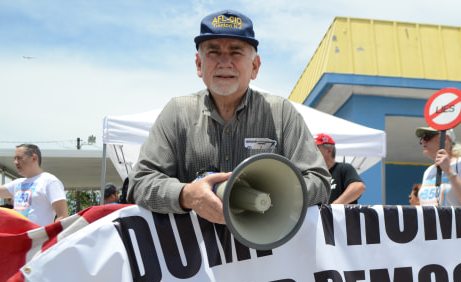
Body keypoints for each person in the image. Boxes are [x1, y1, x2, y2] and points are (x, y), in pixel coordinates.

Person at [127, 9, 330, 222]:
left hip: (268, 250)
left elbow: (320, 182)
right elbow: (140, 182)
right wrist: (187, 195)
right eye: (213, 52)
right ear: (199, 64)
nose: (224, 62)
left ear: (254, 66)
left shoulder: (281, 113)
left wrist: (265, 196)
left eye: (236, 52)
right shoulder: (177, 112)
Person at [0, 144, 69, 226]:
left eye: (19, 158)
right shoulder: (18, 183)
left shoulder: (50, 181)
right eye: (14, 159)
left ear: (34, 158)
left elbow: (63, 216)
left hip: (40, 244)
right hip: (20, 241)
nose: (15, 162)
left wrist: (51, 239)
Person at [415, 127, 461, 207]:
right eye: (421, 138)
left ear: (445, 139)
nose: (422, 141)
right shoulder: (429, 171)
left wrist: (449, 170)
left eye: (427, 136)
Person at [314, 133, 365, 204]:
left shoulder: (343, 168)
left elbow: (358, 187)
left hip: (340, 214)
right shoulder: (314, 174)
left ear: (329, 150)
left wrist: (335, 206)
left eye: (316, 148)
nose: (312, 152)